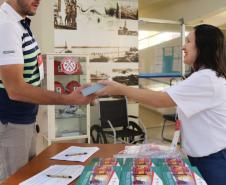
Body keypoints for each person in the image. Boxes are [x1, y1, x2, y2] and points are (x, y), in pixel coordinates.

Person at [96, 24, 226, 185]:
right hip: (203, 156)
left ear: (203, 45)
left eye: (188, 41)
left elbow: (160, 100)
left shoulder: (206, 78)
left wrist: (120, 88)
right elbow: (164, 95)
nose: (183, 46)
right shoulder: (202, 76)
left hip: (213, 160)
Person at [0, 0, 93, 180]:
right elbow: (16, 90)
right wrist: (69, 99)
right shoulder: (6, 26)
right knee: (14, 179)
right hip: (11, 124)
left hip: (25, 121)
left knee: (27, 177)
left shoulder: (21, 24)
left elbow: (33, 73)